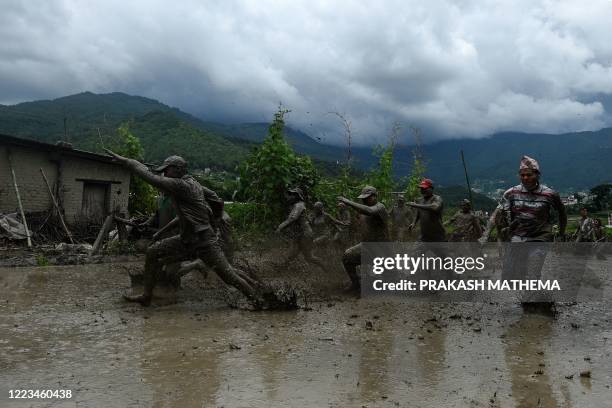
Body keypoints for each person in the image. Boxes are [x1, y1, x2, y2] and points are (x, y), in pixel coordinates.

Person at [105, 151, 263, 307]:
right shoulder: (193, 183)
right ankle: (147, 296)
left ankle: (259, 301)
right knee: (152, 252)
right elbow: (215, 197)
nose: (165, 173)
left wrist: (126, 162)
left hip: (204, 243)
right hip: (187, 239)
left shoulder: (180, 185)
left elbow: (151, 177)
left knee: (229, 277)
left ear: (179, 170)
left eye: (167, 170)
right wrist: (215, 218)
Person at [500, 156, 567, 311]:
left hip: (540, 237)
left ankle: (529, 304)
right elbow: (502, 214)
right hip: (519, 236)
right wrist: (505, 232)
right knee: (512, 274)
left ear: (537, 175)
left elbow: (562, 214)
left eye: (529, 174)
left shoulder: (549, 194)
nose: (525, 178)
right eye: (522, 175)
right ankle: (534, 295)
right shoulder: (512, 193)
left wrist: (561, 233)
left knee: (533, 270)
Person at [338, 186, 389, 291]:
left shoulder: (380, 207)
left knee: (390, 283)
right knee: (347, 257)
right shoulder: (363, 210)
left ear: (375, 196)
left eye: (368, 198)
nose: (365, 200)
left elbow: (370, 211)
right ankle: (356, 284)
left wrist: (348, 201)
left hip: (382, 249)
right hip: (367, 246)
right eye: (363, 198)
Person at [276, 187, 327, 272]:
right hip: (301, 234)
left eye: (293, 195)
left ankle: (327, 268)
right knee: (293, 254)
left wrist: (280, 227)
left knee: (308, 257)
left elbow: (293, 218)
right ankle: (281, 269)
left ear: (297, 196)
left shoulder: (299, 205)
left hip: (305, 234)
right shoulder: (296, 205)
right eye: (290, 194)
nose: (290, 197)